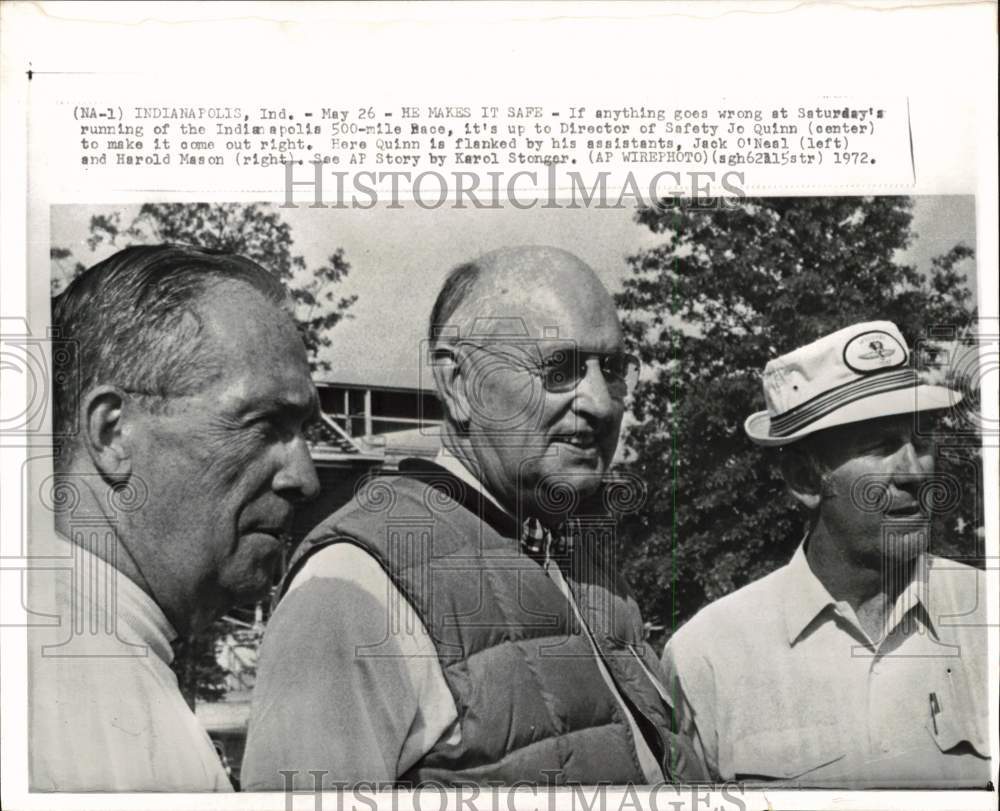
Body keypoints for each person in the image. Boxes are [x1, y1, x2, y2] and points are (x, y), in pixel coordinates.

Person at [242, 245, 699, 788]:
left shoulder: (584, 564)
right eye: (560, 368)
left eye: (614, 368)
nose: (600, 403)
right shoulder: (355, 584)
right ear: (459, 385)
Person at [29, 245, 320, 791]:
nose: (304, 478)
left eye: (306, 430)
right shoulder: (88, 707)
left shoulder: (87, 661)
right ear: (112, 433)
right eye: (264, 424)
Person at [662, 320, 990, 787]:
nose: (914, 472)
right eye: (879, 446)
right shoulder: (707, 657)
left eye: (920, 441)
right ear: (804, 480)